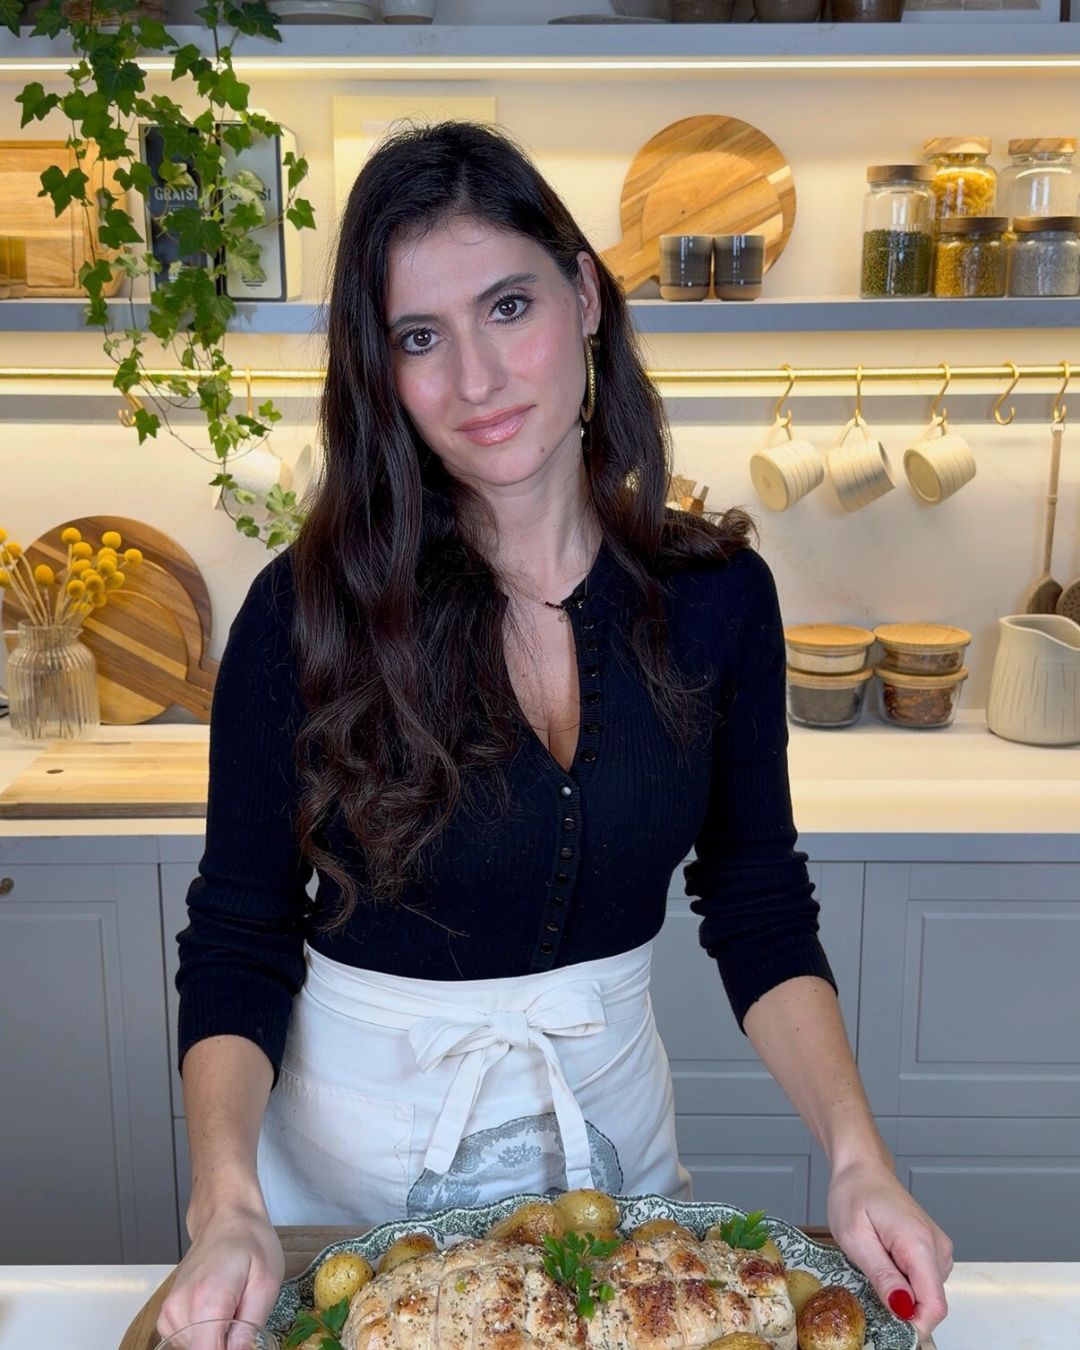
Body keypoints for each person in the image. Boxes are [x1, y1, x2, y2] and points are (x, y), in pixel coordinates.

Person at [160, 120, 952, 1343]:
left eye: (508, 306)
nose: (476, 380)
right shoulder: (303, 617)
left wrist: (856, 1155)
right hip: (350, 1211)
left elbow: (754, 901)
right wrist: (226, 1202)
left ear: (584, 294)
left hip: (619, 1200)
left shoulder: (718, 599)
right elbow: (240, 936)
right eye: (420, 338)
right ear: (380, 371)